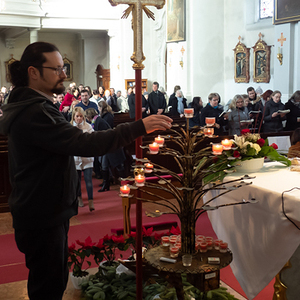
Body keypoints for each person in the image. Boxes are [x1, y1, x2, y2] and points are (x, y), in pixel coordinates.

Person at [0, 41, 172, 300]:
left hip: (45, 209)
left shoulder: (35, 105)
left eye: (63, 68)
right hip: (42, 212)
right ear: (33, 72)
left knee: (51, 281)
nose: (64, 74)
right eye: (57, 68)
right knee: (47, 287)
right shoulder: (34, 112)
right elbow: (84, 143)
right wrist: (138, 127)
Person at [71, 107, 95, 211]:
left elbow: (92, 139)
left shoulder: (88, 126)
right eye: (77, 116)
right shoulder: (70, 127)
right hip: (75, 159)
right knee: (77, 181)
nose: (79, 118)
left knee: (88, 181)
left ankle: (91, 200)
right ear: (74, 117)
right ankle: (79, 197)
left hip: (87, 158)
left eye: (81, 116)